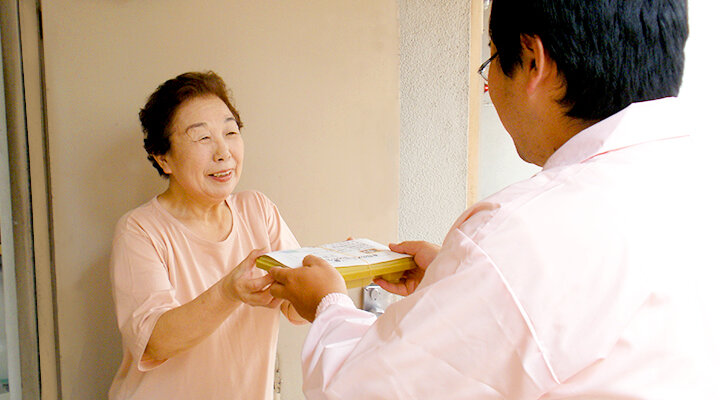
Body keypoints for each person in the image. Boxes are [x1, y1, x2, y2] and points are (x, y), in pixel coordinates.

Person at [269, 1, 720, 398]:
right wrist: (457, 282)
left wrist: (328, 304)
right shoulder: (696, 173)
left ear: (531, 60)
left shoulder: (523, 232)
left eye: (491, 62)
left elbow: (364, 389)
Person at [108, 71, 304, 399]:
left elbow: (296, 309)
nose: (223, 152)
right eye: (203, 138)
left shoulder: (258, 211)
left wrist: (339, 269)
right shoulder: (140, 231)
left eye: (230, 132)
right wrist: (228, 293)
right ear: (163, 157)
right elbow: (155, 342)